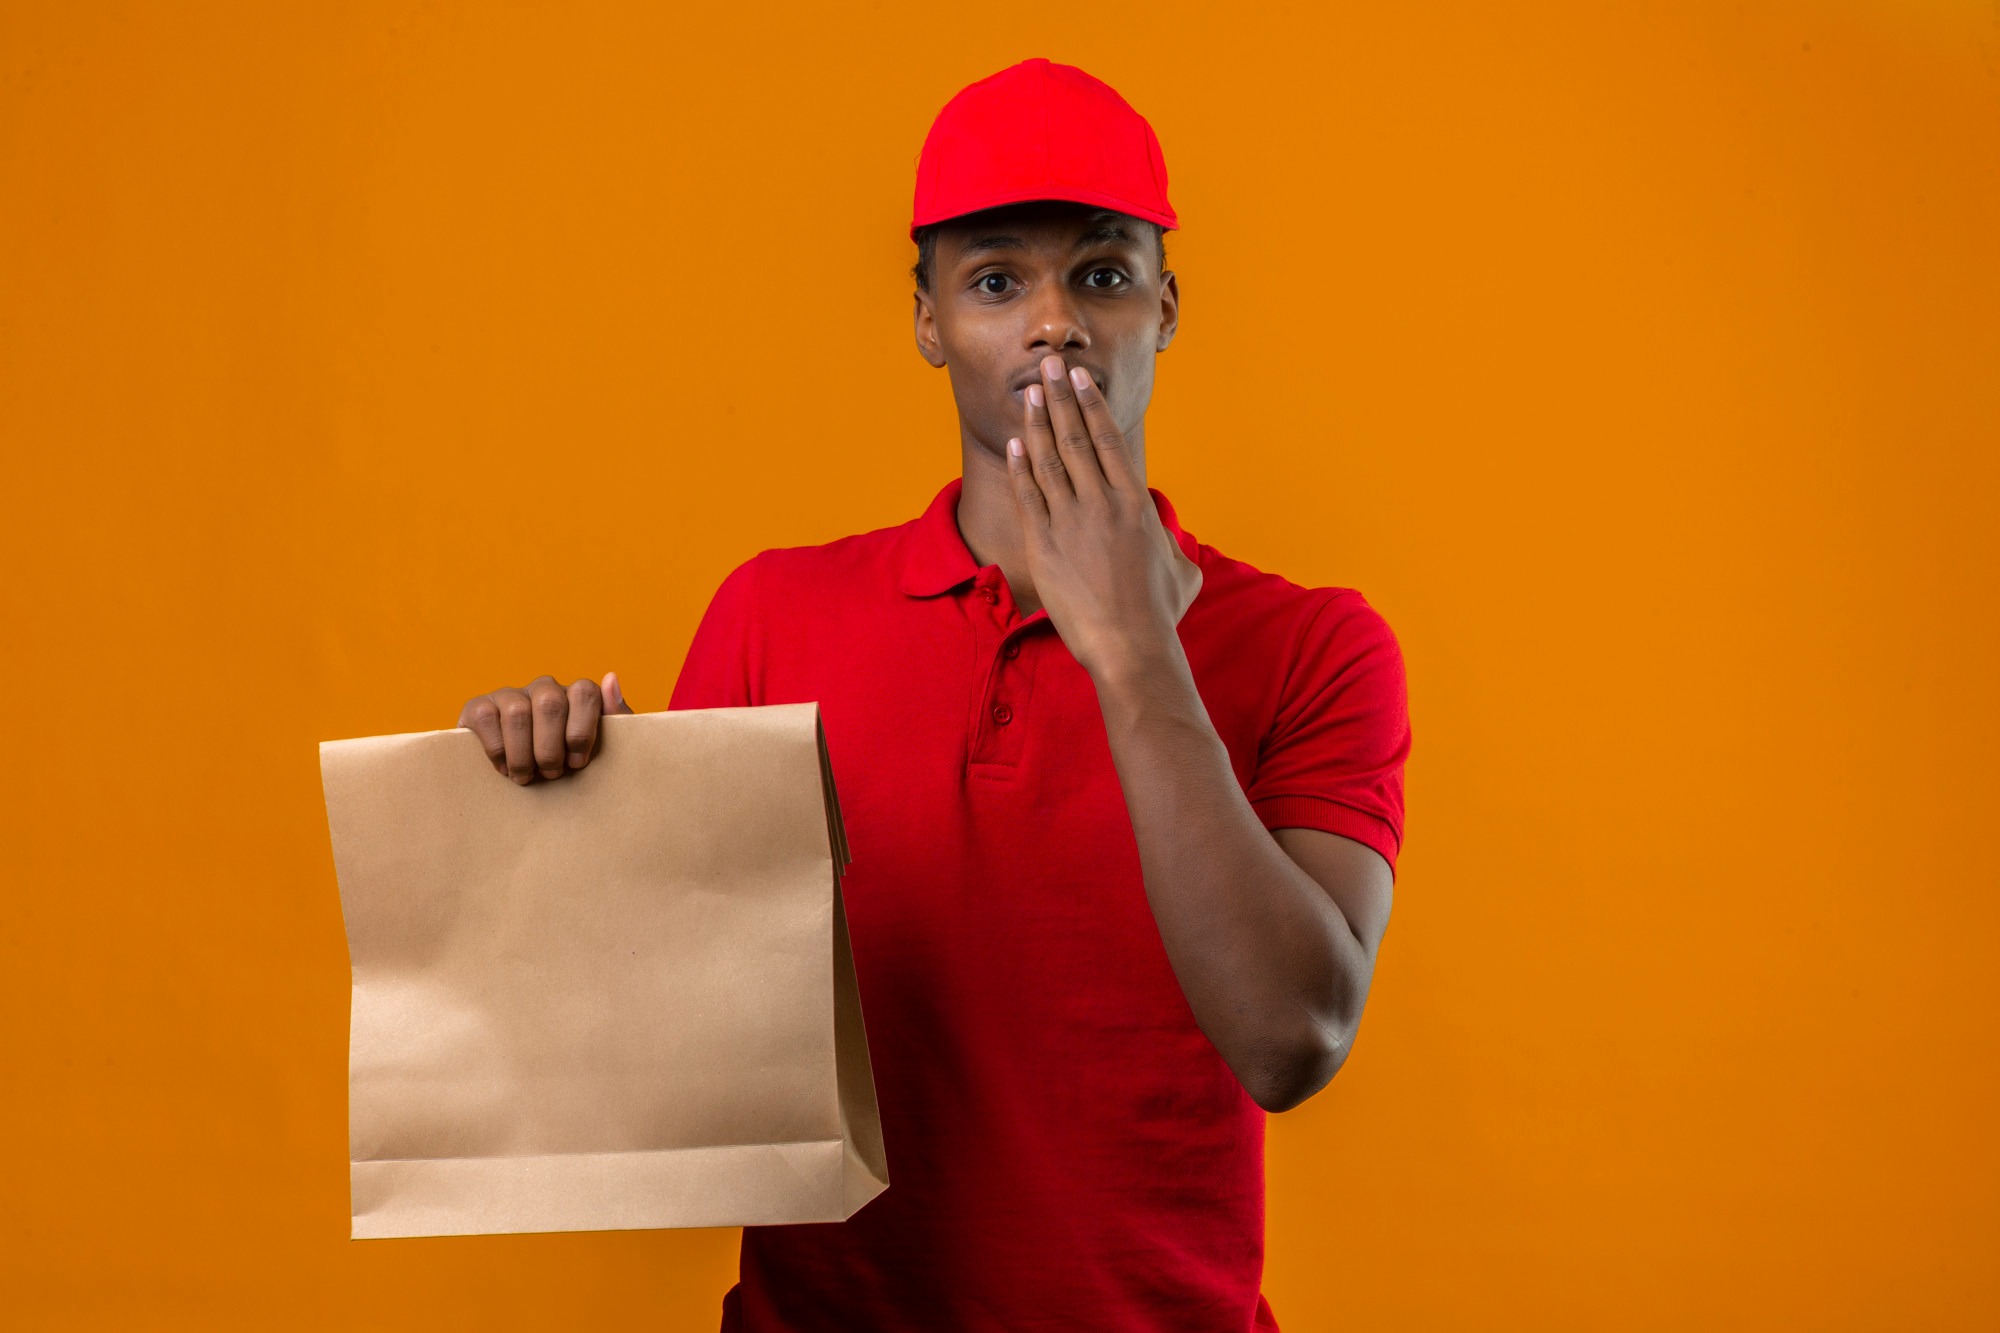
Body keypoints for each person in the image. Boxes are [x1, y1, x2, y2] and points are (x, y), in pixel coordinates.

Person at [455, 57, 1409, 1333]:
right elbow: (661, 1072)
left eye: (1102, 274)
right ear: (926, 320)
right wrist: (555, 819)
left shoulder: (1313, 648)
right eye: (997, 279)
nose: (1054, 322)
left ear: (1166, 310)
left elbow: (1292, 1039)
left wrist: (1132, 647)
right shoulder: (770, 617)